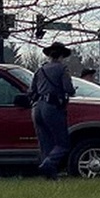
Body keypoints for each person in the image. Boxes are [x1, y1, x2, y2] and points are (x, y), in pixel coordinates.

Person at [29, 42, 77, 180]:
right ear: (61, 55)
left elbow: (32, 91)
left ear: (49, 55)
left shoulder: (40, 70)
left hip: (37, 108)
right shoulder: (62, 69)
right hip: (52, 107)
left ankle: (50, 175)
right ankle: (48, 164)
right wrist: (72, 91)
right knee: (62, 143)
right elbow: (68, 88)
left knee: (45, 143)